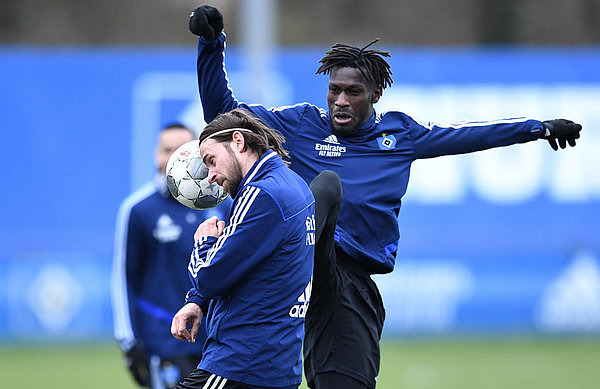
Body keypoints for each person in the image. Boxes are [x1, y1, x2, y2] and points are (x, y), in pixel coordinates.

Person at [186, 5, 584, 389]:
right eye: (335, 90)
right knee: (324, 188)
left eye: (353, 92)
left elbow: (470, 134)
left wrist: (539, 128)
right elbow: (224, 119)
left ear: (375, 94)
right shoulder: (300, 123)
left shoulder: (399, 135)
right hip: (293, 269)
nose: (340, 100)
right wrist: (210, 41)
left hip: (348, 279)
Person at [170, 108, 317, 389]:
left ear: (238, 141)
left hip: (241, 363)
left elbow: (209, 277)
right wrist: (197, 301)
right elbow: (245, 267)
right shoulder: (295, 185)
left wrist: (204, 241)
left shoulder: (260, 193)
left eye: (211, 161)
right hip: (276, 363)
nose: (210, 176)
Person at [111, 123, 231, 389]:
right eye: (167, 150)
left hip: (218, 343)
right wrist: (129, 342)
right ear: (156, 155)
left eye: (182, 150)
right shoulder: (138, 209)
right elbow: (124, 279)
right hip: (164, 340)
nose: (174, 157)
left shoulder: (223, 205)